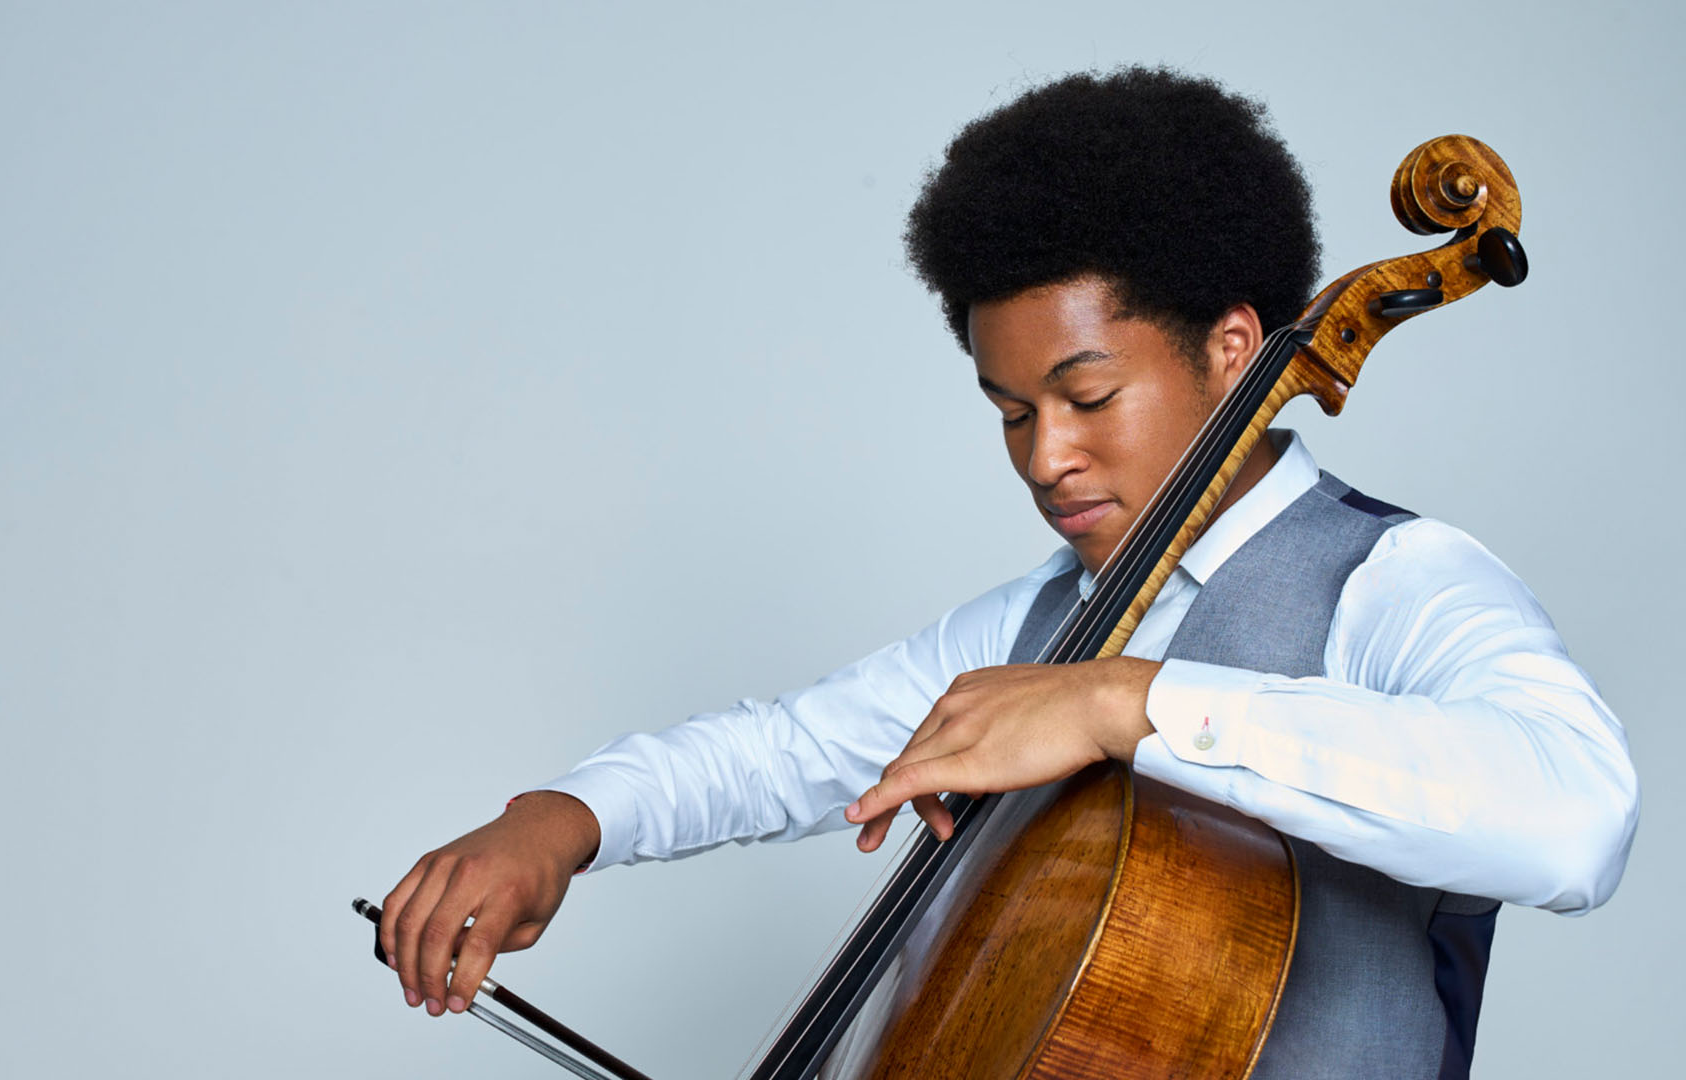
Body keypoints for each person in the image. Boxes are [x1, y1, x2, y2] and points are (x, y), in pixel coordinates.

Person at [377, 67, 1639, 1077]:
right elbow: (780, 753)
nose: (1047, 457)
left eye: (1088, 397)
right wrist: (559, 822)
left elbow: (1578, 816)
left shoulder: (1391, 579)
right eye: (1011, 412)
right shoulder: (1039, 623)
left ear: (1233, 348)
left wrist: (1124, 703)